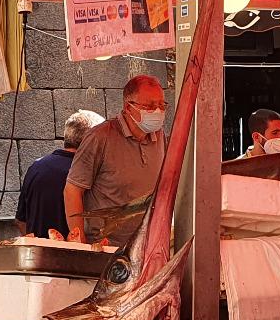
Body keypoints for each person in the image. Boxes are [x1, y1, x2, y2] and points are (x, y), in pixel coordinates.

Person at [66, 75, 167, 244]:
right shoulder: (99, 137)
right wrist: (79, 241)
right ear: (128, 107)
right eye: (149, 106)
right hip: (105, 247)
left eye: (162, 105)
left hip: (145, 244)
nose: (157, 111)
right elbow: (72, 190)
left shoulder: (160, 136)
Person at [16, 109, 102, 238]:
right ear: (92, 141)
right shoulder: (88, 172)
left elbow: (21, 221)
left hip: (38, 249)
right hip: (76, 249)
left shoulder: (36, 167)